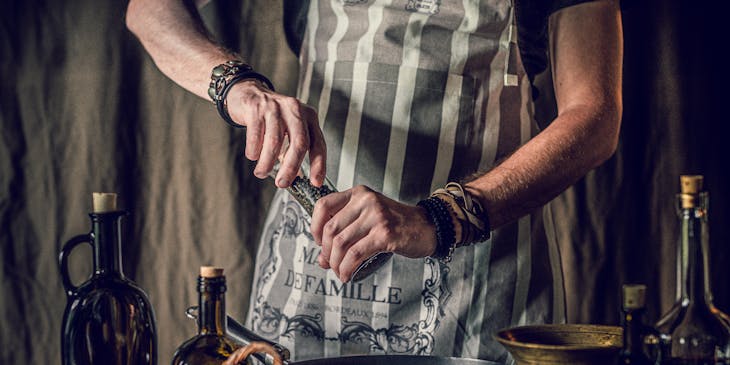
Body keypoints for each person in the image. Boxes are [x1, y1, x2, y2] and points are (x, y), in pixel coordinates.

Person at [126, 0, 622, 362]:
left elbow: (595, 115)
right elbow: (150, 10)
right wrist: (237, 86)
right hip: (312, 273)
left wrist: (440, 219)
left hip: (477, 274)